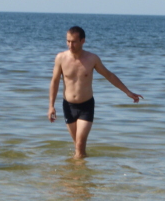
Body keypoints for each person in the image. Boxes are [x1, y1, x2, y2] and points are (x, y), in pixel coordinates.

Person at [48, 26, 143, 159]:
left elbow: (109, 75)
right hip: (68, 106)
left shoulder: (92, 59)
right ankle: (80, 169)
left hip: (86, 106)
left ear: (82, 41)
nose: (70, 45)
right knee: (78, 146)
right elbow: (55, 81)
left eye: (74, 42)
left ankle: (77, 170)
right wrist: (51, 106)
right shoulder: (61, 58)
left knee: (80, 144)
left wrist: (127, 92)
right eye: (68, 41)